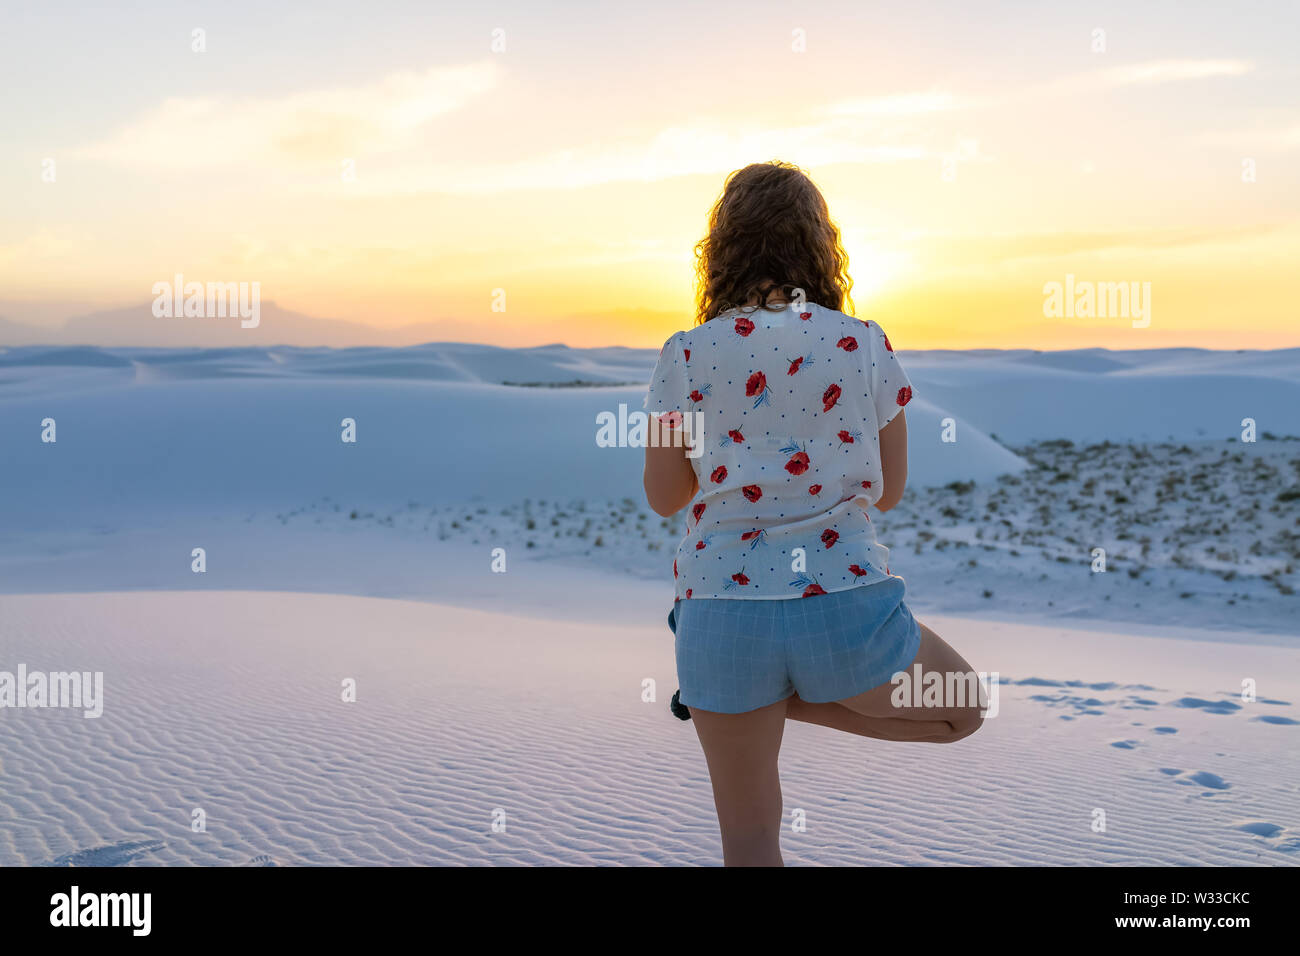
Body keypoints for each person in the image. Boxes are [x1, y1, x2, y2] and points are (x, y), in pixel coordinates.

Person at [642, 161, 983, 867]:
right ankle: (789, 698)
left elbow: (666, 495)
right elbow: (888, 492)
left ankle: (757, 699)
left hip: (722, 620)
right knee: (963, 708)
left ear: (723, 248)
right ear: (820, 246)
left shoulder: (686, 354)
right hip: (847, 612)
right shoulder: (863, 344)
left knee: (749, 842)